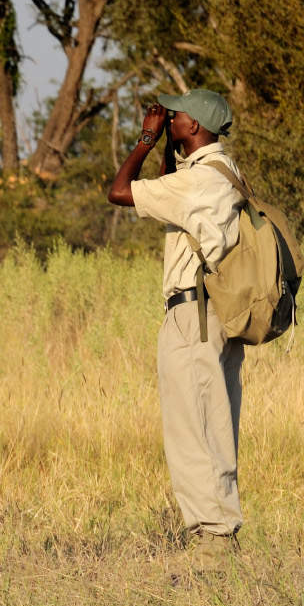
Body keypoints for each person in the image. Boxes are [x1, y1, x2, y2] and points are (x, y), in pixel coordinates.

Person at [106, 89, 248, 557]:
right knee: (214, 421)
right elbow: (169, 190)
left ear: (194, 126)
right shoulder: (220, 171)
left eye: (176, 115)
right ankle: (220, 529)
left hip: (194, 314)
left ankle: (212, 538)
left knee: (192, 425)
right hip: (217, 311)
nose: (170, 118)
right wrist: (167, 144)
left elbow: (119, 191)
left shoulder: (199, 182)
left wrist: (147, 138)